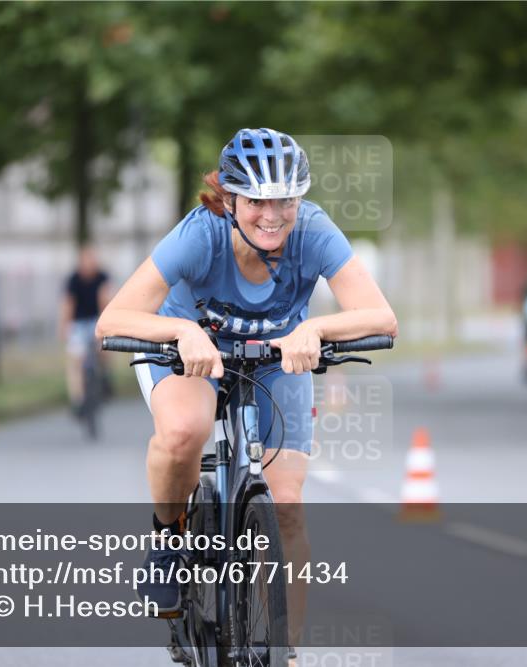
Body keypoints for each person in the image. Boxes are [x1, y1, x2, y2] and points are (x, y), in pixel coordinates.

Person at [95, 128, 398, 648]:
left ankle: (286, 652)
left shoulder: (315, 232)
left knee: (285, 507)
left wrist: (316, 329)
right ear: (230, 198)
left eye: (286, 199)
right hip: (188, 355)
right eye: (257, 200)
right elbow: (112, 319)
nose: (272, 214)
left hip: (276, 362)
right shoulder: (199, 235)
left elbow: (381, 316)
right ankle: (169, 539)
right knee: (184, 433)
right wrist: (183, 330)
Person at [59, 244, 112, 417]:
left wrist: (108, 324)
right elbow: (68, 305)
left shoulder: (102, 277)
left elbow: (105, 300)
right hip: (78, 323)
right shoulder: (73, 280)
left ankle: (105, 376)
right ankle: (78, 399)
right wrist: (64, 327)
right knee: (76, 361)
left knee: (106, 347)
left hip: (96, 320)